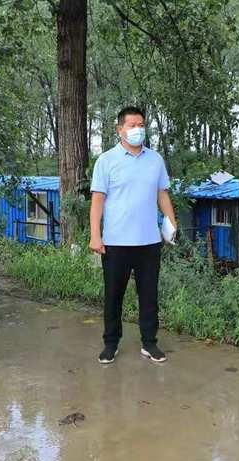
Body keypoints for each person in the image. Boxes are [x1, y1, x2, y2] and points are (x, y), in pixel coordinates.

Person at [89, 106, 177, 365]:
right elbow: (97, 201)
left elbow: (162, 194)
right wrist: (95, 235)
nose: (138, 130)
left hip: (149, 242)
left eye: (141, 125)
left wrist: (172, 222)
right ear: (120, 130)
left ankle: (149, 343)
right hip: (115, 243)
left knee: (149, 296)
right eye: (132, 125)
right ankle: (111, 344)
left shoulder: (155, 160)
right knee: (113, 296)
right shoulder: (106, 161)